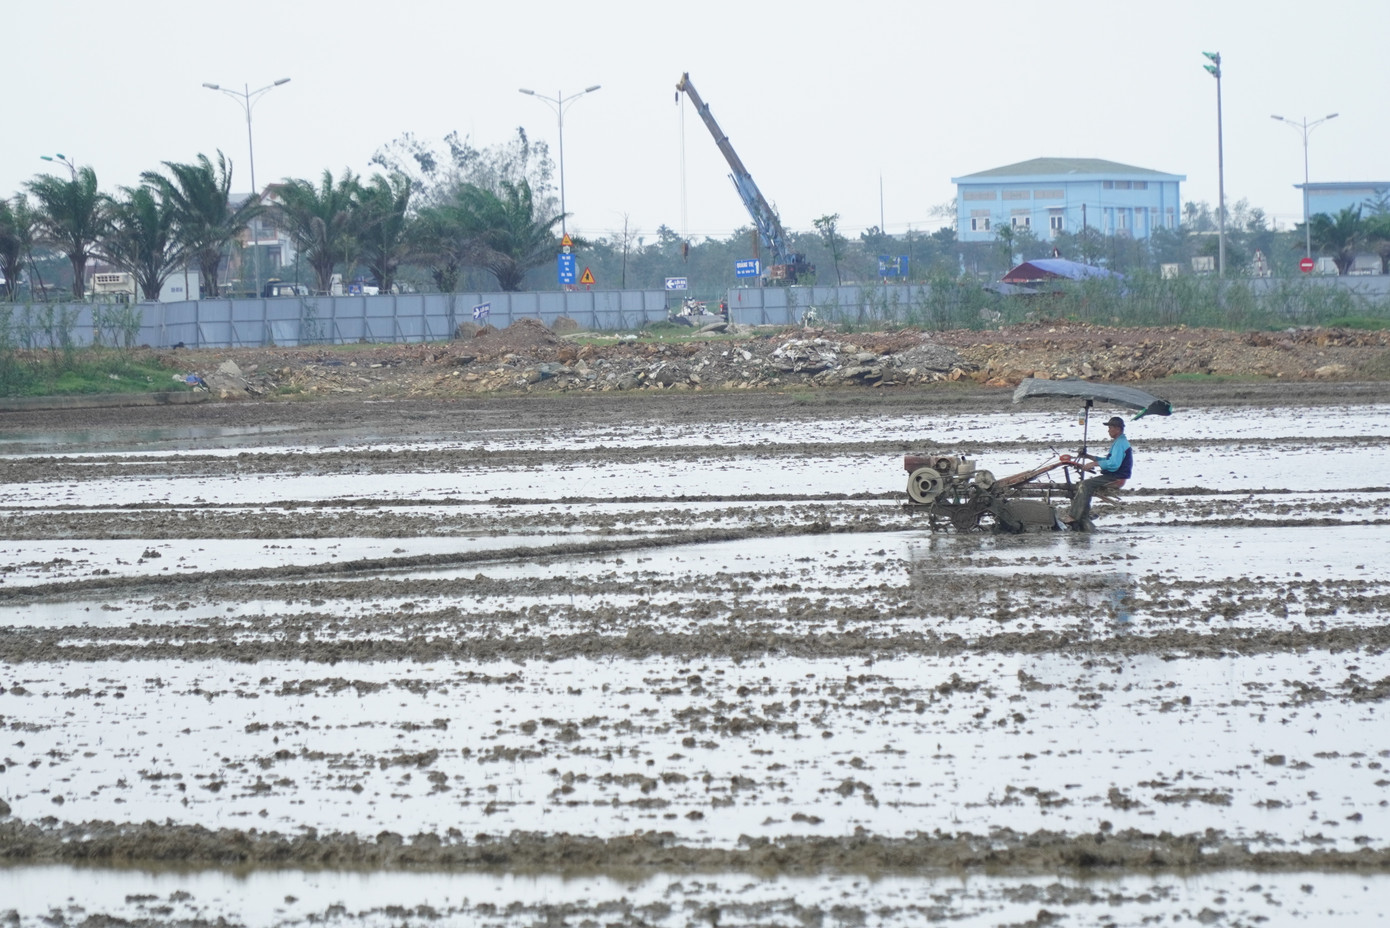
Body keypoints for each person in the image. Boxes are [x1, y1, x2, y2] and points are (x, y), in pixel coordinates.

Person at [1061, 416, 1132, 529]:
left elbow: (1114, 463)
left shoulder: (1120, 444)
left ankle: (1074, 516)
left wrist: (1094, 464)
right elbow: (1107, 460)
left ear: (1117, 429)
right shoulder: (1119, 442)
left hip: (1117, 477)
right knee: (1084, 484)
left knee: (1085, 484)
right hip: (1114, 474)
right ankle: (1083, 515)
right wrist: (1088, 457)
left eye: (1110, 428)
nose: (1108, 430)